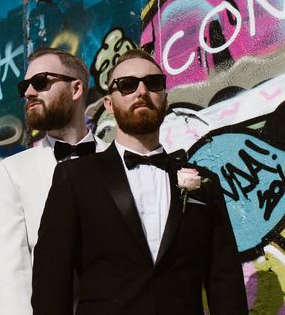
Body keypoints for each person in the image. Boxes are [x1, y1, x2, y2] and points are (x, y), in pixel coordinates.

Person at [32, 47, 248, 315]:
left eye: (153, 83)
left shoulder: (205, 184)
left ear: (165, 99)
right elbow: (51, 284)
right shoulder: (75, 178)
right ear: (109, 104)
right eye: (127, 85)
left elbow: (224, 281)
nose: (141, 91)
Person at [0, 47, 107, 315]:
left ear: (76, 89)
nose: (29, 92)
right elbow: (11, 277)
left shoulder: (116, 160)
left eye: (40, 82)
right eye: (25, 86)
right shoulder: (12, 172)